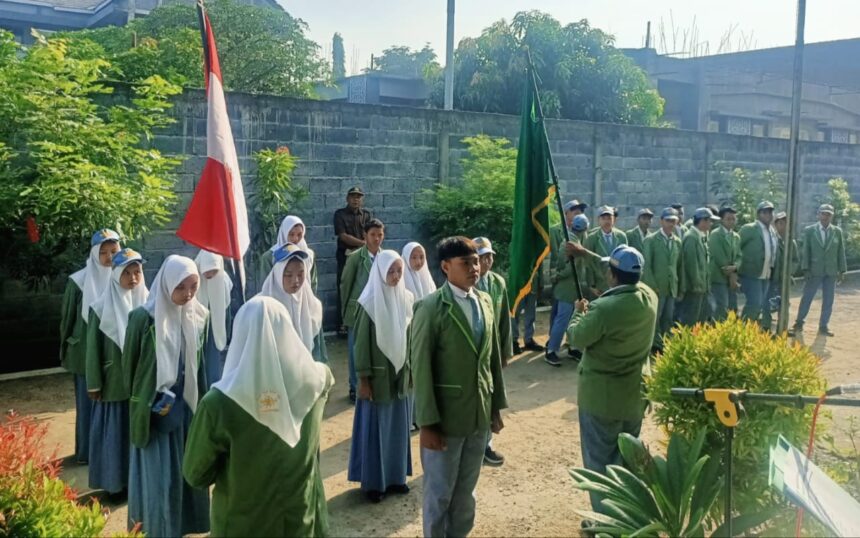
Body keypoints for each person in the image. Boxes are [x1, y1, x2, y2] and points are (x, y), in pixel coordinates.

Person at [183, 296, 334, 537]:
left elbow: (195, 474)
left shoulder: (219, 404)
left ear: (240, 336)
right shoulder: (316, 383)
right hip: (301, 521)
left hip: (242, 524)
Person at [411, 237, 507, 538]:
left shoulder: (485, 302)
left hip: (478, 416)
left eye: (476, 261)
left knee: (466, 492)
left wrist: (495, 408)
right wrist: (427, 423)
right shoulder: (430, 308)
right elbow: (421, 369)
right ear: (445, 267)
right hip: (446, 420)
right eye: (465, 263)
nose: (474, 268)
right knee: (440, 494)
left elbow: (491, 360)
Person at [566, 245, 657, 515]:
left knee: (599, 465)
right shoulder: (650, 297)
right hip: (634, 396)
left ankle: (605, 523)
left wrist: (578, 312)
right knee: (626, 463)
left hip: (602, 399)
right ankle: (626, 518)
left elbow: (576, 338)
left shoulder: (603, 308)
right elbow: (622, 278)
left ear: (611, 275)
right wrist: (586, 254)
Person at [123, 255, 210, 537]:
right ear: (166, 284)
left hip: (185, 407)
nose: (187, 295)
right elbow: (130, 368)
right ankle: (158, 529)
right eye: (181, 287)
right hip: (153, 412)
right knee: (158, 477)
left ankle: (184, 525)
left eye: (193, 287)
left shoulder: (198, 317)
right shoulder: (142, 319)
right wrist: (145, 400)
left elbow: (200, 366)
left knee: (186, 472)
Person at [348, 250, 414, 503]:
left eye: (399, 270)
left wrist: (410, 371)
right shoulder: (369, 302)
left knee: (397, 427)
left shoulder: (406, 299)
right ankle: (375, 484)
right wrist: (363, 380)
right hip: (377, 379)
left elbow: (409, 341)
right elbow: (361, 346)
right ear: (379, 272)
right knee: (376, 429)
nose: (396, 276)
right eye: (390, 271)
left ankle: (397, 478)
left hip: (399, 376)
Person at [85, 248, 147, 494]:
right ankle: (114, 484)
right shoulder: (100, 308)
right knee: (115, 434)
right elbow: (93, 350)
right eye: (127, 273)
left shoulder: (148, 304)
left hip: (141, 384)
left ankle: (137, 481)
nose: (133, 279)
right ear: (116, 275)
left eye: (137, 272)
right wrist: (94, 383)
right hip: (114, 384)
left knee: (137, 432)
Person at [60, 228, 121, 463]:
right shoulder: (78, 281)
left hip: (112, 354)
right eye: (103, 252)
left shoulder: (124, 277)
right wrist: (66, 349)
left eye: (113, 251)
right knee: (87, 403)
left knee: (109, 406)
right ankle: (86, 452)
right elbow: (67, 320)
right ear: (94, 253)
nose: (108, 257)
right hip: (84, 352)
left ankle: (106, 454)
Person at [473, 237, 511, 467]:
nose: (486, 261)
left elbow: (504, 319)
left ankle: (486, 444)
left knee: (493, 396)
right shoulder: (468, 282)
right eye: (481, 257)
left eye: (489, 257)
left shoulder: (498, 283)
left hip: (493, 351)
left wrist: (505, 351)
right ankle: (477, 444)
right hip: (475, 351)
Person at [341, 218, 385, 402]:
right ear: (364, 236)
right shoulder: (356, 258)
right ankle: (354, 386)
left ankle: (372, 383)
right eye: (373, 235)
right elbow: (346, 284)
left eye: (380, 235)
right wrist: (346, 313)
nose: (376, 239)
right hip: (357, 311)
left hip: (378, 311)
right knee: (355, 349)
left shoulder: (385, 257)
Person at [258, 244, 325, 362]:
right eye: (288, 275)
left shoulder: (313, 307)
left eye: (301, 274)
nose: (296, 281)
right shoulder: (261, 308)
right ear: (277, 274)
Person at [792, 204, 848, 336]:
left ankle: (824, 326)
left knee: (829, 299)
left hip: (831, 271)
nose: (825, 217)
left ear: (832, 216)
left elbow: (841, 251)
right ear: (818, 215)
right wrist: (805, 269)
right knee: (807, 297)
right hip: (814, 270)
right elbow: (806, 250)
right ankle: (799, 322)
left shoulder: (837, 231)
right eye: (823, 214)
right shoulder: (810, 230)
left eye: (828, 214)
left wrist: (842, 270)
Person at [547, 214, 591, 366]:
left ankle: (572, 347)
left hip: (569, 287)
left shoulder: (569, 240)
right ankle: (551, 350)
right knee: (563, 320)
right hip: (568, 288)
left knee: (571, 318)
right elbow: (569, 268)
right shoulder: (574, 244)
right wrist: (559, 276)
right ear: (584, 229)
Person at [642, 208, 682, 352]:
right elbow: (647, 266)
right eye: (668, 220)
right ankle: (653, 344)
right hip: (657, 286)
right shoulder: (651, 240)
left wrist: (679, 286)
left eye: (674, 221)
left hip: (671, 286)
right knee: (655, 317)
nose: (671, 224)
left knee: (668, 317)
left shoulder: (677, 241)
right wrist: (652, 286)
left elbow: (678, 266)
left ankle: (664, 343)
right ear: (661, 221)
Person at [334, 186, 373, 336]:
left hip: (363, 257)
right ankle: (342, 324)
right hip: (346, 256)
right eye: (353, 196)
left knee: (363, 287)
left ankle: (360, 321)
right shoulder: (340, 214)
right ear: (347, 198)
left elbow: (370, 232)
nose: (356, 199)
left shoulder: (366, 215)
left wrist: (367, 244)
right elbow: (343, 236)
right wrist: (364, 243)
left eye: (359, 197)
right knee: (344, 288)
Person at [194, 250, 233, 387]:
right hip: (195, 326)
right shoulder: (192, 279)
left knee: (213, 362)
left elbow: (226, 310)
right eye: (207, 271)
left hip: (214, 327)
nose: (210, 275)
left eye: (214, 271)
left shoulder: (224, 281)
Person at [738, 201, 778, 325]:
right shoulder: (749, 229)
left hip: (766, 274)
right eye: (765, 212)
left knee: (760, 304)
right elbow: (737, 247)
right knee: (754, 303)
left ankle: (750, 329)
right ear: (758, 214)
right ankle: (742, 329)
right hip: (751, 274)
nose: (768, 215)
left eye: (770, 212)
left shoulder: (772, 231)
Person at [679, 208, 718, 325]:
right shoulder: (691, 237)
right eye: (709, 221)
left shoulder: (700, 236)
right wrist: (697, 285)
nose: (711, 224)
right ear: (702, 221)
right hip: (694, 288)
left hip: (702, 287)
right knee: (691, 319)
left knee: (700, 319)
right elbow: (691, 264)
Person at [583, 206, 628, 295]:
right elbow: (588, 262)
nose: (607, 221)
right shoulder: (592, 238)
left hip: (617, 283)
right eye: (603, 218)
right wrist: (591, 285)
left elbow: (626, 259)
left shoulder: (621, 236)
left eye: (609, 218)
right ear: (598, 220)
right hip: (600, 283)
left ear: (614, 220)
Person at [708, 207, 741, 321]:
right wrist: (731, 273)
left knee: (733, 307)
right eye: (728, 219)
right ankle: (716, 332)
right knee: (721, 306)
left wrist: (736, 266)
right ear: (722, 220)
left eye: (733, 219)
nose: (731, 221)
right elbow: (718, 256)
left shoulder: (736, 236)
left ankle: (730, 332)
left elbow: (739, 255)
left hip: (732, 278)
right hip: (719, 277)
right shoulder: (715, 235)